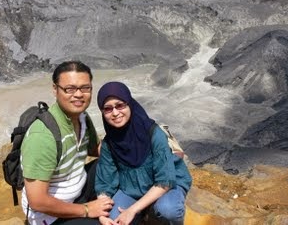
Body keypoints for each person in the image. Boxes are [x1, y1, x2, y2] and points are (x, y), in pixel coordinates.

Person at [21, 61, 114, 225]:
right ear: (55, 90)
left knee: (113, 161)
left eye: (85, 88)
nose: (78, 94)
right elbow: (38, 201)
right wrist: (87, 210)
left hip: (77, 189)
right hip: (50, 215)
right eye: (70, 89)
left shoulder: (82, 118)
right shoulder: (43, 136)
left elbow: (97, 150)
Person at [95, 82, 192, 225]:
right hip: (131, 188)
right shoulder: (109, 143)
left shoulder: (153, 134)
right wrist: (102, 215)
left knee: (168, 210)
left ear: (130, 104)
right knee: (113, 217)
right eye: (108, 109)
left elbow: (165, 181)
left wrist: (132, 210)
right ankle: (144, 213)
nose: (115, 113)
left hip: (166, 185)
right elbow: (105, 183)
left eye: (120, 105)